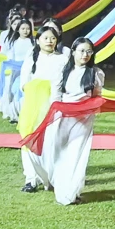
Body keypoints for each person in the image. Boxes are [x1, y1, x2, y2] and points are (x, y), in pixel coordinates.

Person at [37, 36, 104, 205]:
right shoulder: (63, 70)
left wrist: (88, 109)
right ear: (73, 52)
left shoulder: (95, 73)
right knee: (58, 154)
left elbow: (97, 96)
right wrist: (58, 111)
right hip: (63, 117)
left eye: (89, 51)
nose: (85, 55)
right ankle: (61, 186)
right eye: (82, 51)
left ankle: (71, 193)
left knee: (77, 155)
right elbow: (56, 94)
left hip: (83, 120)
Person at [18, 24, 71, 194]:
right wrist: (37, 90)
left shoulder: (62, 59)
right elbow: (24, 83)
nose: (49, 41)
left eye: (53, 38)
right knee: (29, 140)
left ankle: (50, 177)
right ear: (38, 40)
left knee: (51, 141)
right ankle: (31, 179)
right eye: (46, 38)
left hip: (53, 105)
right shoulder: (32, 58)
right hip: (32, 106)